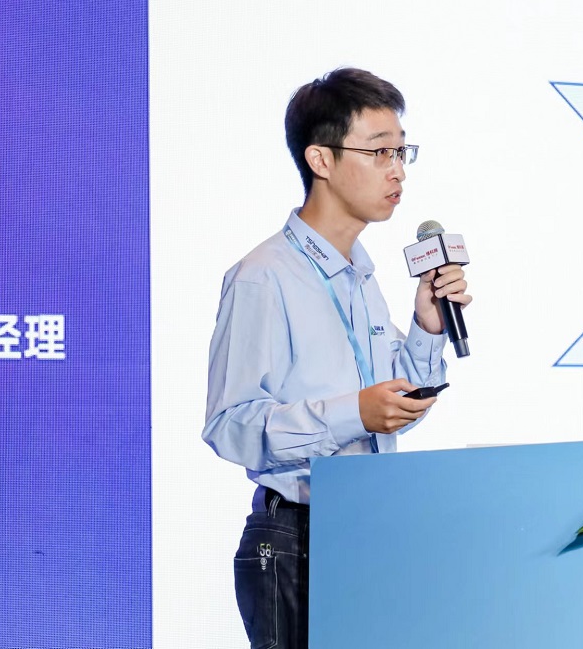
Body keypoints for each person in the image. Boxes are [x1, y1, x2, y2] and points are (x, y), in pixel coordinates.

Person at [202, 67, 472, 649]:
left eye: (402, 151)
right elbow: (230, 425)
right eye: (379, 151)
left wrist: (428, 325)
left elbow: (393, 408)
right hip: (294, 541)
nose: (397, 170)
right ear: (320, 159)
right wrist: (354, 413)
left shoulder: (361, 275)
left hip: (369, 530)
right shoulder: (263, 277)